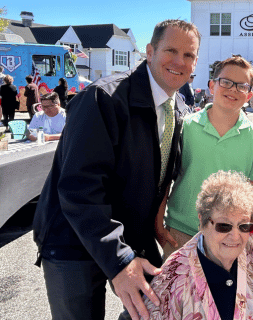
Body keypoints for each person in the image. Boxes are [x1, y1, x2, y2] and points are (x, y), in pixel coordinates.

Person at [32, 19, 200, 320]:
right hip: (72, 241)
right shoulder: (103, 99)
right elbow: (79, 190)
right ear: (149, 51)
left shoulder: (177, 111)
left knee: (157, 311)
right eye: (171, 50)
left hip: (130, 237)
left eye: (188, 55)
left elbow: (158, 178)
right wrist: (121, 259)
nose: (179, 61)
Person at [145, 171, 253, 320]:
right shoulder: (172, 278)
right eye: (224, 226)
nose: (235, 236)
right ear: (202, 222)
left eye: (244, 226)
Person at [157, 55, 253, 260]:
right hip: (181, 231)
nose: (232, 89)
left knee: (222, 292)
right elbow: (165, 178)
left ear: (249, 95)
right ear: (211, 86)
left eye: (241, 86)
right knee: (175, 291)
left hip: (228, 235)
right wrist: (159, 224)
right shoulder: (186, 126)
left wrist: (243, 233)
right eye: (225, 82)